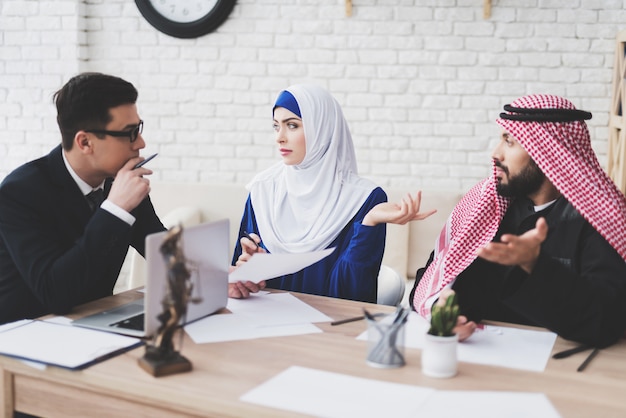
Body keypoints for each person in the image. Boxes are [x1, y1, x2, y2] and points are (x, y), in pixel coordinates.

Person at [410, 94, 626, 348]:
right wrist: (445, 309)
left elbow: (606, 321)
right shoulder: (486, 205)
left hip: (559, 370)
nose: (495, 153)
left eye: (509, 142)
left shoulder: (601, 216)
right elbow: (430, 280)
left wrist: (535, 264)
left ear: (547, 152)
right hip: (478, 357)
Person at [230, 84, 435, 303]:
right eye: (275, 126)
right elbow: (239, 279)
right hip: (263, 322)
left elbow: (351, 296)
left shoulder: (364, 199)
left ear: (322, 129)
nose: (279, 137)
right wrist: (243, 277)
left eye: (292, 125)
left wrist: (369, 223)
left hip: (328, 328)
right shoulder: (263, 190)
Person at [0, 72, 166, 324]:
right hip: (25, 338)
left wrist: (222, 273)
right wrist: (115, 209)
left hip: (95, 324)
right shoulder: (19, 193)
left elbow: (158, 246)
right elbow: (56, 294)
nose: (140, 142)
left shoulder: (118, 180)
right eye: (129, 133)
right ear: (85, 141)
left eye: (139, 129)